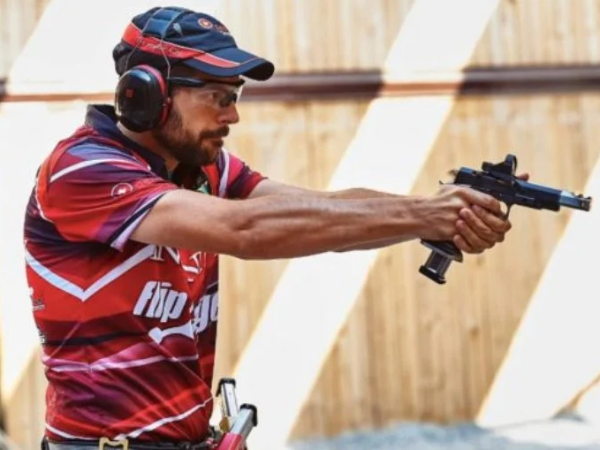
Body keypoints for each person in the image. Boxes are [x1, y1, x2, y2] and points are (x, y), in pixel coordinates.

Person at [23, 6, 524, 450]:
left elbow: (320, 210)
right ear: (147, 95)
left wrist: (437, 210)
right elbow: (245, 230)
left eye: (235, 95)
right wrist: (423, 215)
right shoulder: (82, 168)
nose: (233, 114)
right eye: (217, 96)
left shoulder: (203, 169)